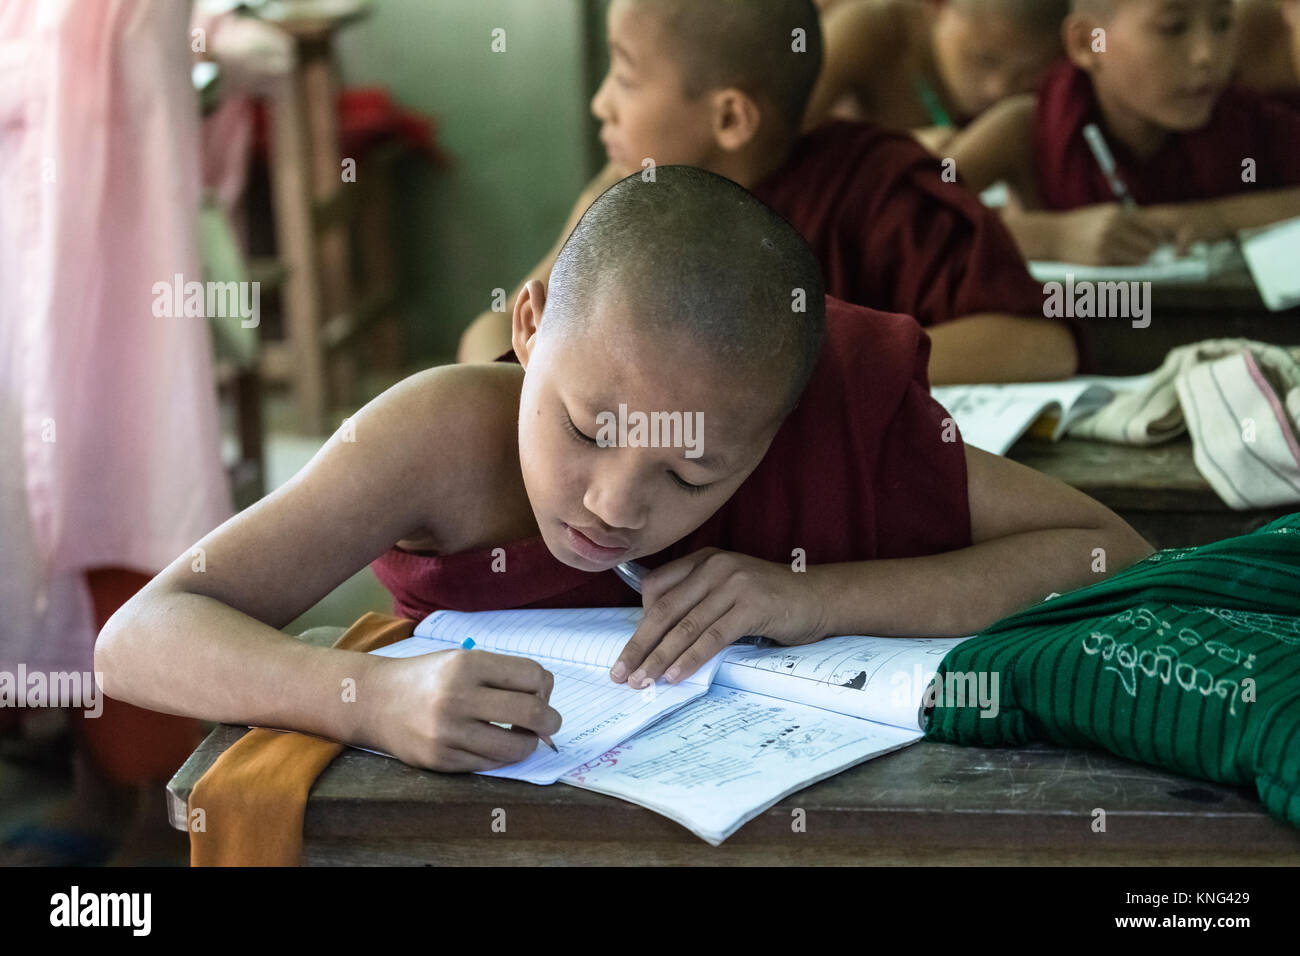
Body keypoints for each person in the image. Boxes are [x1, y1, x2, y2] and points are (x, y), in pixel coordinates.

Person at [98, 168, 1152, 773]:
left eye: (693, 476)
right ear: (529, 320)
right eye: (587, 426)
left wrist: (808, 595)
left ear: (776, 428)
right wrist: (362, 694)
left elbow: (1111, 549)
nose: (612, 504)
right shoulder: (437, 436)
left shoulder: (829, 412)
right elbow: (138, 636)